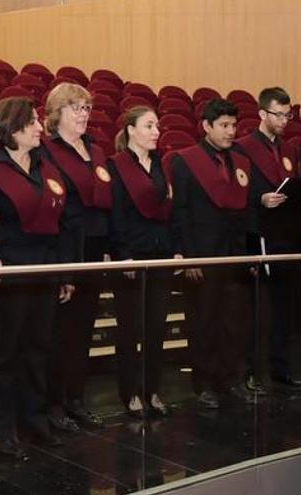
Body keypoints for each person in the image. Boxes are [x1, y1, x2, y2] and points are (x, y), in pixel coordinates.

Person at [0, 97, 75, 456]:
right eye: (32, 121)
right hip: (11, 272)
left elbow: (64, 224)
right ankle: (0, 431)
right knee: (5, 356)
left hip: (45, 269)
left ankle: (34, 421)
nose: (40, 127)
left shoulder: (46, 167)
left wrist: (64, 270)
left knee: (38, 350)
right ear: (11, 127)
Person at [233, 86, 301, 392]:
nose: (284, 120)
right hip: (258, 234)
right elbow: (236, 192)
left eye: (288, 115)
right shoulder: (242, 148)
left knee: (283, 309)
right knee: (258, 311)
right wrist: (260, 198)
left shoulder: (289, 149)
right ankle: (251, 372)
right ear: (262, 114)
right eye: (278, 115)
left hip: (286, 234)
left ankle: (281, 370)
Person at [170, 98, 254, 409]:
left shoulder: (241, 162)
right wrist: (189, 256)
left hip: (233, 256)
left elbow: (244, 214)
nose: (230, 132)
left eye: (233, 125)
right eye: (224, 126)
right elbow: (180, 212)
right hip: (201, 255)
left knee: (233, 322)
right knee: (203, 322)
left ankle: (231, 379)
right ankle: (203, 383)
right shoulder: (184, 161)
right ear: (206, 126)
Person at [40, 83, 109, 430]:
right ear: (57, 114)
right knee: (60, 335)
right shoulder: (47, 150)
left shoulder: (95, 150)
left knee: (83, 331)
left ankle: (76, 400)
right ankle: (53, 405)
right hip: (66, 249)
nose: (84, 114)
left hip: (94, 249)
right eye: (76, 108)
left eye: (86, 108)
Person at [107, 105, 177, 418]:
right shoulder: (117, 165)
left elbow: (168, 211)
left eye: (158, 127)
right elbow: (117, 214)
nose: (156, 132)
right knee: (130, 329)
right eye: (149, 126)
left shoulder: (161, 165)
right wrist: (124, 255)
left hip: (159, 254)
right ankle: (130, 393)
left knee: (156, 328)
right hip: (132, 255)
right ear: (130, 130)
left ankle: (152, 390)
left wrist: (175, 249)